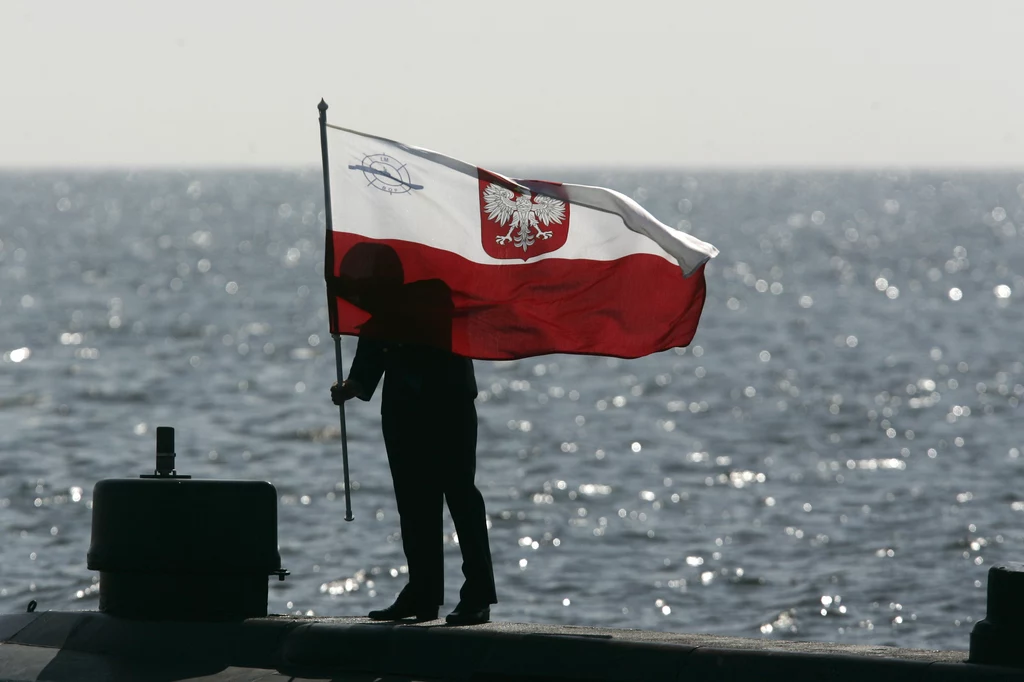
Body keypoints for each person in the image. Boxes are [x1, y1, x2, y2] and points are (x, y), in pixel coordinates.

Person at [329, 243, 497, 626]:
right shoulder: (383, 312)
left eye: (366, 282)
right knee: (414, 505)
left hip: (448, 409)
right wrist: (350, 386)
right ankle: (422, 593)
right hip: (404, 414)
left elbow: (428, 326)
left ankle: (478, 595)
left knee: (460, 497)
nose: (361, 292)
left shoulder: (432, 295)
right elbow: (371, 356)